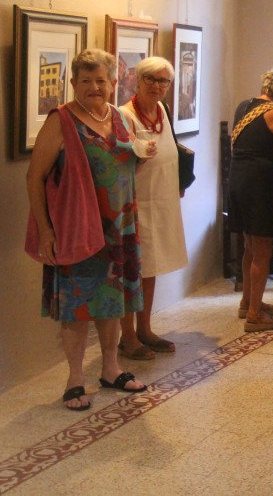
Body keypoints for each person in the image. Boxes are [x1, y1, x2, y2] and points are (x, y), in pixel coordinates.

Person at [26, 49, 149, 411]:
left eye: (101, 80)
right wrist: (46, 231)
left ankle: (111, 368)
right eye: (85, 80)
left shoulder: (119, 117)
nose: (94, 87)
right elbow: (34, 177)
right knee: (77, 306)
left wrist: (143, 156)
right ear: (73, 83)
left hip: (119, 228)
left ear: (114, 83)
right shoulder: (61, 121)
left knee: (111, 302)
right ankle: (75, 379)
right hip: (77, 227)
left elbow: (125, 166)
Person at [117, 57, 188, 359]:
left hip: (162, 200)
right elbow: (118, 161)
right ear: (137, 80)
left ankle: (144, 329)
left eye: (163, 81)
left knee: (151, 267)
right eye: (151, 79)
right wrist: (138, 156)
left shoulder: (162, 110)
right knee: (132, 269)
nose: (157, 86)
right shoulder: (124, 115)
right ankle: (128, 336)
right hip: (136, 203)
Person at [227, 68, 273, 333]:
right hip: (261, 186)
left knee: (249, 247)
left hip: (238, 181)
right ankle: (255, 315)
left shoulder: (243, 107)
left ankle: (247, 301)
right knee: (263, 250)